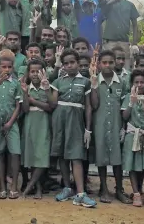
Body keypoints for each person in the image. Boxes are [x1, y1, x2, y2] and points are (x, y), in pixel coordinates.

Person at [49, 48, 97, 208]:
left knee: (76, 156)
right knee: (62, 155)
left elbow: (89, 107)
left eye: (72, 62)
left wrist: (88, 129)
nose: (69, 65)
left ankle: (81, 193)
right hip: (59, 120)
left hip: (76, 121)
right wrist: (45, 87)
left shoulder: (85, 82)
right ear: (62, 65)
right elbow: (53, 104)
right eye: (66, 63)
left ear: (77, 63)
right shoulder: (58, 81)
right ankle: (67, 188)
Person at [90, 50, 130, 204]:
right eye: (104, 62)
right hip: (99, 126)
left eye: (110, 62)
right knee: (101, 157)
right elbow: (94, 105)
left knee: (117, 159)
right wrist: (93, 87)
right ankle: (104, 188)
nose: (107, 65)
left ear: (115, 63)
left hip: (116, 125)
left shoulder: (122, 82)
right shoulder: (94, 81)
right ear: (99, 64)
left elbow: (124, 105)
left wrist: (123, 127)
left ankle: (119, 189)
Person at [0, 54, 23, 199]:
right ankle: (2, 187)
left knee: (14, 152)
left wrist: (9, 123)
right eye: (3, 67)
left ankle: (13, 186)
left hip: (11, 123)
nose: (6, 69)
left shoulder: (16, 84)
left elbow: (18, 106)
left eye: (9, 67)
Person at [121, 69, 144, 207]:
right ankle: (136, 193)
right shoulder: (127, 97)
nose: (139, 85)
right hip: (132, 134)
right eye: (136, 82)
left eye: (142, 82)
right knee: (132, 165)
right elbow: (124, 117)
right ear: (132, 83)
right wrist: (131, 103)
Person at [20, 59, 53, 199]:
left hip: (43, 123)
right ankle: (38, 188)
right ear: (28, 73)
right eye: (32, 71)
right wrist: (25, 94)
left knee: (42, 155)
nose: (35, 74)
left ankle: (28, 187)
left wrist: (34, 101)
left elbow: (50, 107)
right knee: (33, 156)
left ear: (44, 72)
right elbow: (26, 109)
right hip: (30, 123)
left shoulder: (47, 87)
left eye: (38, 71)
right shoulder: (26, 87)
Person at [102, 0, 140, 70]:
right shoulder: (107, 3)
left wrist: (134, 43)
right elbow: (106, 6)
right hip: (109, 42)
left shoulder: (129, 5)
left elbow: (135, 25)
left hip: (124, 42)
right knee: (108, 68)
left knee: (125, 69)